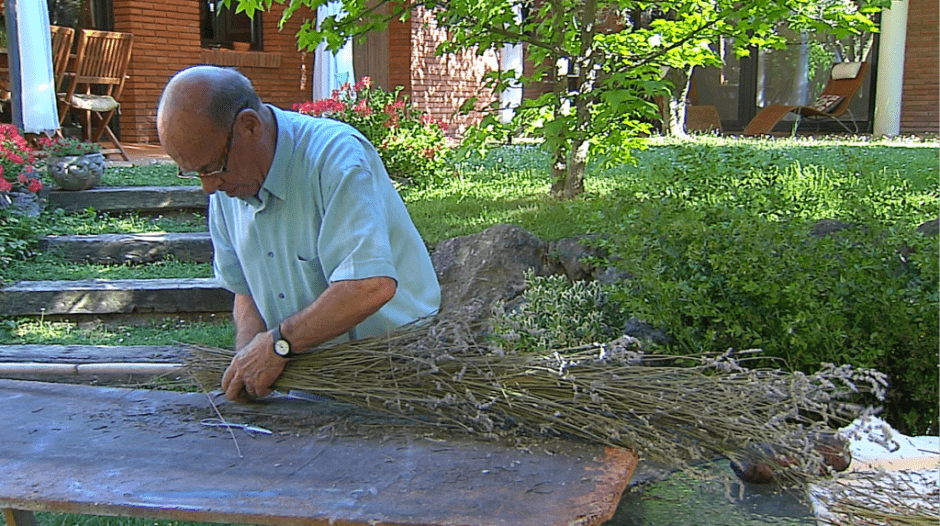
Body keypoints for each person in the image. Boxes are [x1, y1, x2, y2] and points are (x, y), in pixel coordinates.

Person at [157, 65, 441, 401]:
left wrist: (278, 344)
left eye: (211, 167)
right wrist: (249, 356)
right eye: (194, 173)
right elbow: (245, 291)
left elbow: (369, 286)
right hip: (311, 380)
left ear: (249, 126)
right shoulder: (228, 185)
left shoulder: (336, 157)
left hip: (398, 374)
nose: (208, 186)